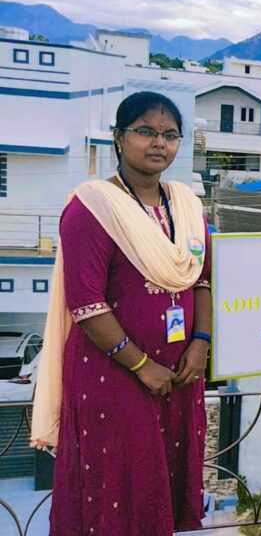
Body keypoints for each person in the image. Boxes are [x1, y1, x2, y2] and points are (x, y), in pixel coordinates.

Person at [31, 91, 212, 535]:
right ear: (118, 137)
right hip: (114, 374)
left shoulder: (187, 205)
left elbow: (202, 280)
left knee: (162, 483)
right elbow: (86, 303)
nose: (159, 143)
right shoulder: (92, 207)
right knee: (115, 486)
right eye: (146, 131)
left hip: (179, 373)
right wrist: (141, 365)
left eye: (170, 135)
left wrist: (201, 344)